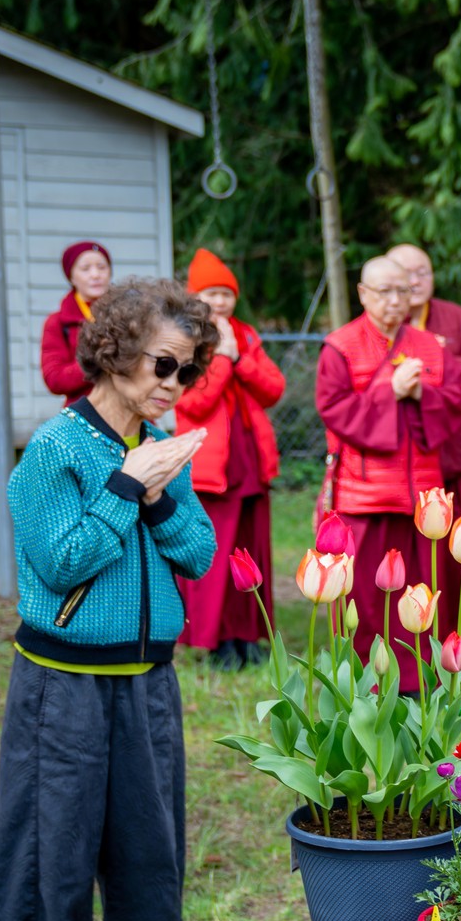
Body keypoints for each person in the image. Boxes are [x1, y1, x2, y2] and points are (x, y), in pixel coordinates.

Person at [0, 276, 217, 921]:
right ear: (115, 350)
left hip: (148, 685)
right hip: (64, 689)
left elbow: (197, 552)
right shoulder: (54, 449)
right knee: (48, 866)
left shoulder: (158, 445)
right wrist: (126, 485)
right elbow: (60, 562)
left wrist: (155, 494)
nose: (174, 382)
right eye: (163, 363)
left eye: (187, 369)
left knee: (149, 856)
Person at [316, 256, 461, 684]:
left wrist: (421, 395)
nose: (396, 300)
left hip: (421, 494)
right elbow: (334, 410)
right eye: (385, 292)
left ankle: (416, 683)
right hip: (364, 493)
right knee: (363, 597)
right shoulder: (340, 346)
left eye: (403, 291)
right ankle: (364, 683)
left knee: (418, 596)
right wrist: (389, 390)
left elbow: (457, 400)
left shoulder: (431, 346)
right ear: (363, 294)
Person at [174, 247, 284, 670]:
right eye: (211, 293)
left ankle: (247, 636)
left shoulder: (246, 335)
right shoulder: (185, 339)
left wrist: (240, 357)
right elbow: (194, 403)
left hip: (249, 458)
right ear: (195, 297)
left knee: (250, 551)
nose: (220, 302)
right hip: (210, 464)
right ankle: (215, 640)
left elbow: (273, 389)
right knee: (216, 555)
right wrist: (222, 357)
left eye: (227, 294)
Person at [387, 244, 461, 640]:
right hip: (403, 452)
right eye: (406, 273)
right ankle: (416, 620)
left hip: (450, 446)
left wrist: (435, 361)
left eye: (423, 272)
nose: (415, 281)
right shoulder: (385, 321)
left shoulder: (453, 317)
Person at [40, 240, 112, 405]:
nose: (95, 275)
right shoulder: (57, 323)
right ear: (71, 277)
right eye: (85, 269)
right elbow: (55, 379)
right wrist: (99, 356)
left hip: (131, 412)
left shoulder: (130, 315)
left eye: (102, 267)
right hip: (83, 413)